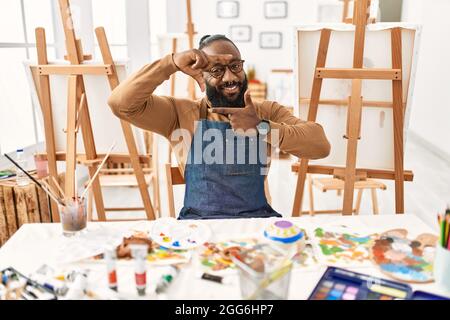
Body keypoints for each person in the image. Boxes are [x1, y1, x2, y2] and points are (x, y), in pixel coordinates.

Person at [108, 34, 330, 220]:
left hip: (255, 225)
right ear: (200, 76)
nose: (230, 77)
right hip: (199, 230)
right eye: (216, 70)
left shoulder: (265, 112)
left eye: (235, 66)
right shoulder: (180, 114)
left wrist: (261, 127)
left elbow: (320, 146)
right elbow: (120, 103)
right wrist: (171, 63)